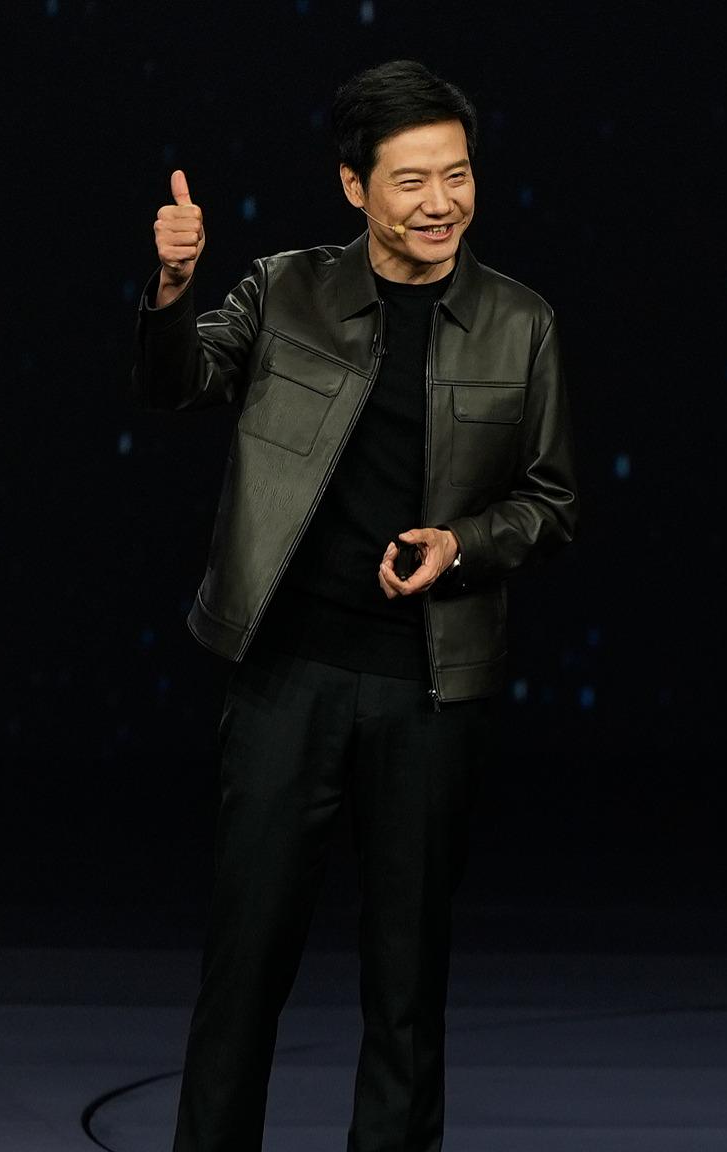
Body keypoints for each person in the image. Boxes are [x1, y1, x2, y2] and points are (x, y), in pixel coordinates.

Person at [129, 58, 577, 1152]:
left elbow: (551, 502)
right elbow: (177, 385)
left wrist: (461, 545)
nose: (440, 202)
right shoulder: (282, 290)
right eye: (412, 180)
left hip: (429, 693)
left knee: (407, 990)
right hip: (288, 681)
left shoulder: (519, 322)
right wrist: (174, 286)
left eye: (457, 175)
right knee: (243, 976)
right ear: (353, 187)